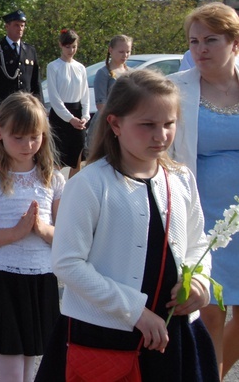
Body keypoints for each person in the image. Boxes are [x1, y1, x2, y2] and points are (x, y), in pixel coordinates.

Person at [36, 70, 219, 381]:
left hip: (174, 335)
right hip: (106, 340)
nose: (160, 135)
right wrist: (135, 312)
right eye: (147, 125)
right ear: (116, 124)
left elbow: (198, 242)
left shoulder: (181, 179)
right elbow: (67, 263)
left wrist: (199, 282)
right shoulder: (89, 184)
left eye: (168, 124)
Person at [0, 92, 62, 382]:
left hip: (40, 279)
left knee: (31, 367)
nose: (28, 145)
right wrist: (15, 233)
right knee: (11, 370)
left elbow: (66, 238)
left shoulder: (53, 180)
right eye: (18, 137)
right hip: (1, 280)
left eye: (35, 137)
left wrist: (42, 230)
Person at [170, 2, 239, 379]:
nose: (201, 49)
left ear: (235, 43)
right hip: (203, 219)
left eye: (211, 40)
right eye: (194, 41)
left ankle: (214, 373)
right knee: (210, 308)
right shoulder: (178, 89)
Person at [0, 9, 43, 119]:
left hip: (26, 107)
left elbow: (36, 82)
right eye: (16, 25)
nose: (20, 29)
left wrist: (39, 107)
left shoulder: (30, 50)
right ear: (7, 27)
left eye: (22, 26)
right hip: (5, 107)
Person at [46, 29, 89, 177]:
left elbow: (85, 94)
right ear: (61, 45)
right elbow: (54, 98)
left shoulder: (80, 67)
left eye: (74, 46)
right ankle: (55, 193)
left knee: (77, 159)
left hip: (78, 115)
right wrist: (70, 118)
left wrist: (85, 116)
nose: (71, 50)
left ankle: (72, 193)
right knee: (57, 159)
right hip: (60, 116)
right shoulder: (53, 66)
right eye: (67, 46)